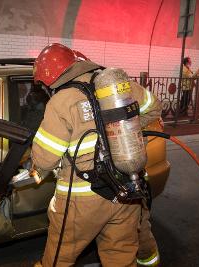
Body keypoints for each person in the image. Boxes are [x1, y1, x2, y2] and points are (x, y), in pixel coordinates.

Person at [31, 43, 162, 267]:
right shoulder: (119, 87)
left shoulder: (61, 101)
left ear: (50, 79)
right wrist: (125, 131)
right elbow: (154, 107)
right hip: (124, 190)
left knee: (58, 257)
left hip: (81, 200)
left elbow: (45, 159)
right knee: (120, 255)